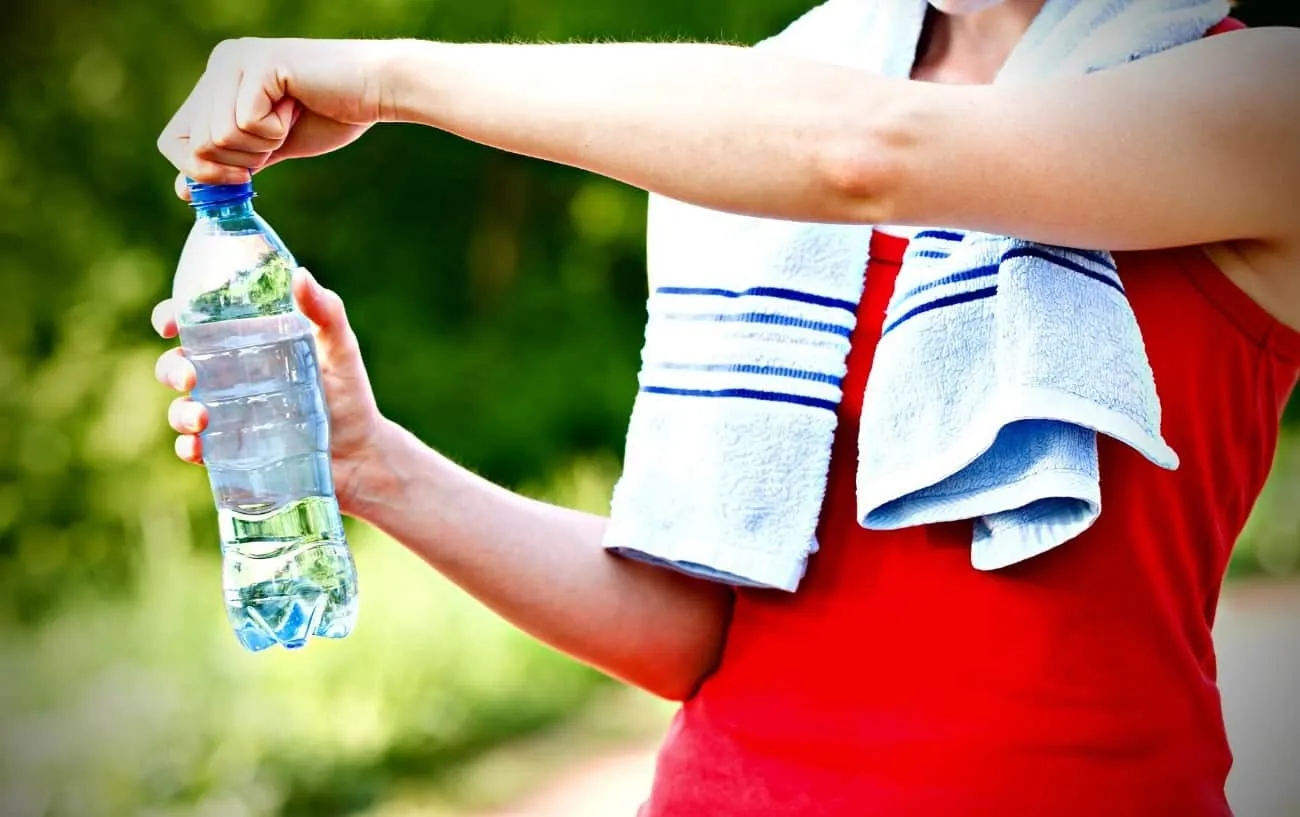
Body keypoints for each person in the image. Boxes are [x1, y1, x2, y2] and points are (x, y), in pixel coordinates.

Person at [152, 2, 1300, 815]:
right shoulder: (745, 145)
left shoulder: (1261, 98)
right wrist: (369, 460)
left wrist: (386, 76)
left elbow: (869, 153)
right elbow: (689, 627)